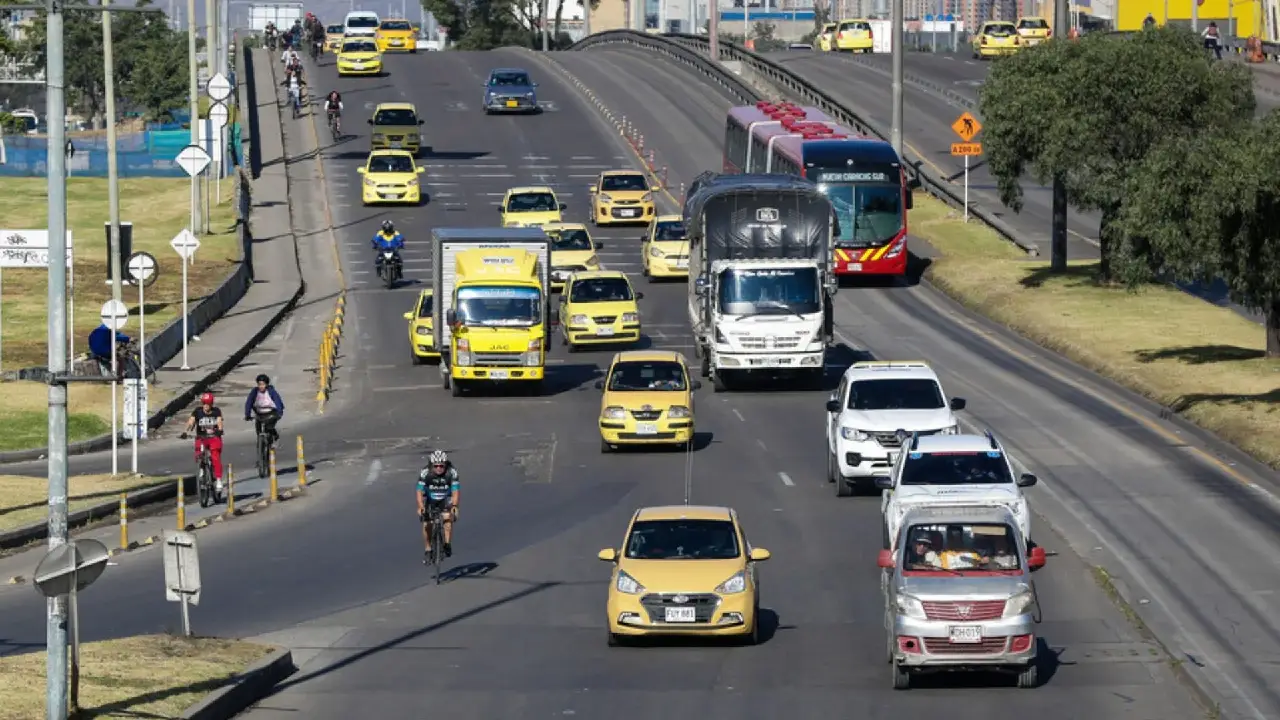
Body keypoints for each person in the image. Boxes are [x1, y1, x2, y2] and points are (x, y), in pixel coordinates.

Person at [417, 450, 461, 560]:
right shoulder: (425, 472)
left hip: (445, 498)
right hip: (430, 498)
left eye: (441, 466)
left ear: (445, 465)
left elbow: (455, 491)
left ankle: (447, 544)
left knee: (448, 519)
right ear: (431, 465)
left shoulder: (452, 472)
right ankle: (428, 549)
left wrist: (455, 506)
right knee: (427, 524)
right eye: (436, 466)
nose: (439, 468)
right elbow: (419, 491)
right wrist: (421, 507)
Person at [181, 393, 225, 493]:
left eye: (208, 403)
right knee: (198, 453)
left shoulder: (216, 411)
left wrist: (220, 430)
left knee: (215, 457)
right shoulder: (198, 411)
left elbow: (219, 422)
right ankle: (201, 468)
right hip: (201, 438)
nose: (206, 406)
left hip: (214, 437)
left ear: (211, 404)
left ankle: (218, 480)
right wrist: (185, 432)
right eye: (204, 403)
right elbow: (191, 421)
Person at [243, 374, 285, 446]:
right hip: (260, 413)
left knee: (269, 427)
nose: (261, 386)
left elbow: (278, 401)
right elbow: (249, 402)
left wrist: (279, 412)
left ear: (266, 384)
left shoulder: (271, 391)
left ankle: (275, 436)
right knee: (258, 428)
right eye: (259, 384)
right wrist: (247, 414)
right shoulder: (255, 392)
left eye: (263, 384)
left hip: (271, 413)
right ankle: (260, 443)